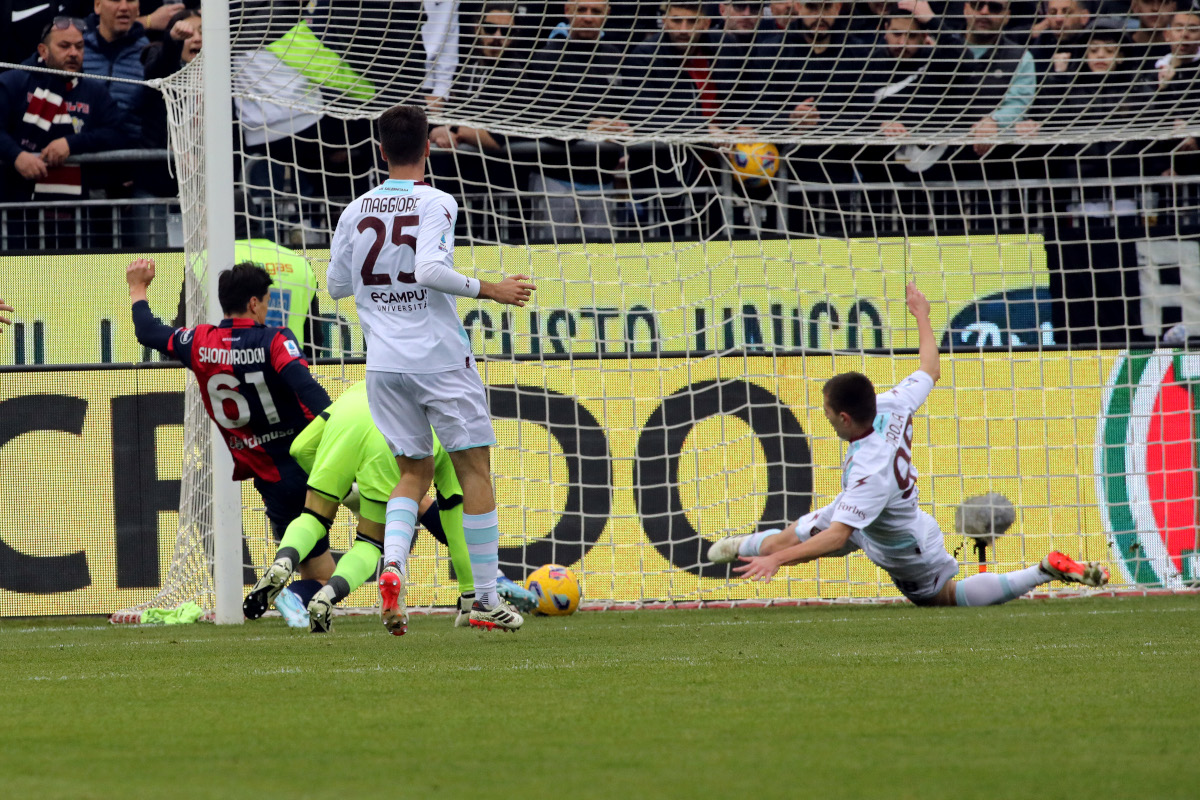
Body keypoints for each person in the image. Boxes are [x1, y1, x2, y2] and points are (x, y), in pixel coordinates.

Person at [707, 282, 1110, 605]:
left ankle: (1045, 569)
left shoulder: (871, 470)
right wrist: (922, 315)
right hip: (863, 515)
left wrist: (776, 561)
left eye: (829, 415)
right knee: (792, 532)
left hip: (900, 540)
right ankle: (734, 546)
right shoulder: (893, 402)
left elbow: (836, 537)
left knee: (942, 598)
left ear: (846, 418)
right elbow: (930, 368)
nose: (827, 420)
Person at [326, 103, 536, 633]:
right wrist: (492, 289)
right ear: (428, 147)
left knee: (411, 474)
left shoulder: (355, 209)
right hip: (438, 359)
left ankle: (392, 564)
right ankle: (484, 597)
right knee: (473, 471)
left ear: (380, 150)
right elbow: (429, 269)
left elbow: (337, 286)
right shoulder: (438, 200)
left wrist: (382, 285)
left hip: (384, 364)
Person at [124, 258, 335, 617]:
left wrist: (137, 288)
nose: (268, 308)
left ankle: (291, 596)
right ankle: (466, 585)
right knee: (395, 512)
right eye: (267, 300)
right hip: (314, 460)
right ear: (254, 303)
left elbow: (147, 331)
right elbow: (309, 391)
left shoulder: (200, 341)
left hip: (269, 475)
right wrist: (344, 428)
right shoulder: (275, 340)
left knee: (318, 570)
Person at [259, 381, 474, 632]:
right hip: (394, 438)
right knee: (368, 544)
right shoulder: (447, 422)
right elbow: (453, 521)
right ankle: (326, 596)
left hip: (346, 419)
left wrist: (344, 492)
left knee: (313, 517)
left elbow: (300, 448)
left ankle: (283, 562)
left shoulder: (359, 387)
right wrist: (470, 591)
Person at [0, 17, 121, 247]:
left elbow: (117, 134)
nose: (74, 53)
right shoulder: (15, 82)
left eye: (79, 46)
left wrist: (72, 144)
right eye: (64, 46)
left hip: (74, 219)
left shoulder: (95, 91)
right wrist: (16, 155)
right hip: (17, 213)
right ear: (43, 50)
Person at [83, 0, 150, 143]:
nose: (124, 7)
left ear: (138, 8)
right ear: (97, 5)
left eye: (131, 0)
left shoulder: (150, 54)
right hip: (77, 152)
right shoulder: (76, 49)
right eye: (115, 0)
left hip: (133, 156)